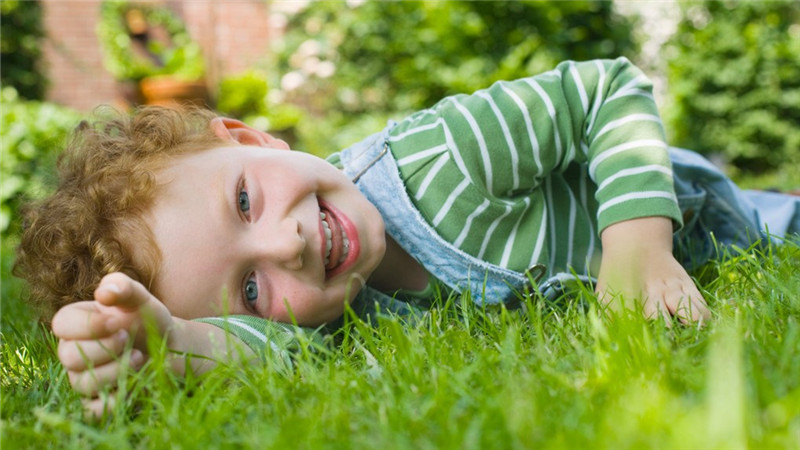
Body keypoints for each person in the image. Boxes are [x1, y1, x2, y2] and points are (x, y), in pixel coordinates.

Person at [15, 57, 800, 417]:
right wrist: (175, 340)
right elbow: (278, 354)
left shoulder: (442, 158)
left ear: (252, 140)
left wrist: (638, 248)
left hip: (695, 212)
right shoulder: (333, 317)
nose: (285, 247)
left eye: (246, 202)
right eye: (251, 290)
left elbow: (604, 92)